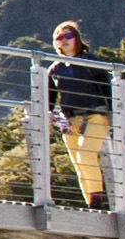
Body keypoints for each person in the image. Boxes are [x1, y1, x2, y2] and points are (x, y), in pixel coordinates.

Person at [43, 20, 117, 205]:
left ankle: (97, 201)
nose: (64, 40)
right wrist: (47, 112)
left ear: (76, 38)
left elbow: (106, 88)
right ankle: (90, 202)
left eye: (68, 36)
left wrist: (114, 117)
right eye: (59, 37)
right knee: (78, 163)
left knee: (85, 155)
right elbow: (50, 97)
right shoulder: (55, 69)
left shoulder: (90, 61)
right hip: (69, 120)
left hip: (95, 114)